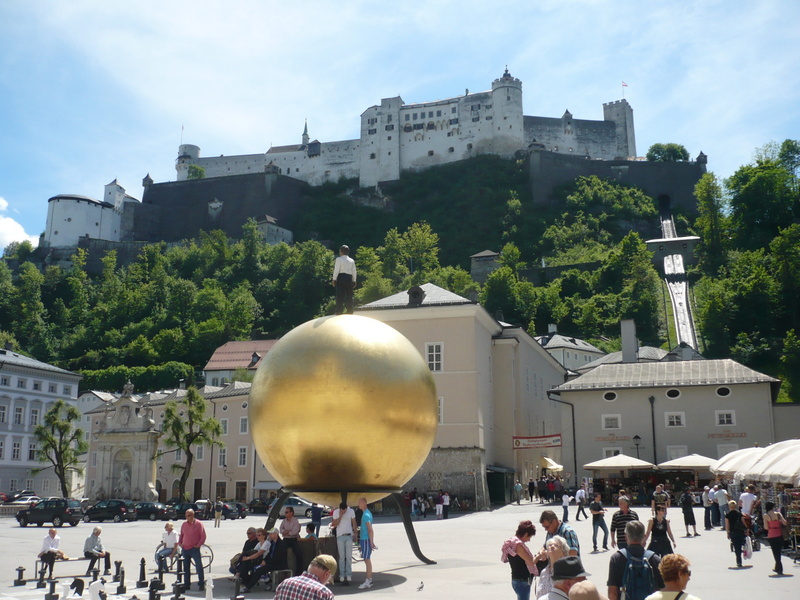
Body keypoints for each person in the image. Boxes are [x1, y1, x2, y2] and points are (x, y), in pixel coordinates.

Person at [607, 521, 663, 600]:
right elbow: (662, 591)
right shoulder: (654, 559)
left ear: (626, 536)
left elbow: (612, 593)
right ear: (644, 536)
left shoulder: (617, 558)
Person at [243, 527, 289, 592]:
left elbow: (277, 557)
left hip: (279, 564)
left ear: (276, 534)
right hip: (271, 562)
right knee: (256, 568)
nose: (270, 535)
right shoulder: (272, 543)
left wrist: (267, 562)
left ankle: (248, 587)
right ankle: (249, 583)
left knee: (259, 570)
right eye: (270, 534)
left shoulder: (281, 544)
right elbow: (269, 554)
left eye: (272, 534)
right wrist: (264, 560)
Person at [179, 508, 207, 591]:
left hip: (194, 549)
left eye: (189, 515)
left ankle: (201, 584)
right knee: (186, 568)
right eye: (186, 515)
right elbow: (181, 535)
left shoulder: (198, 524)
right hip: (185, 549)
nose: (187, 517)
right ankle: (187, 584)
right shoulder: (184, 524)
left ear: (193, 515)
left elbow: (203, 536)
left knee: (199, 566)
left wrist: (198, 545)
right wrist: (180, 543)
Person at [331, 500, 358, 585]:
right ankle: (342, 574)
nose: (344, 511)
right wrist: (340, 516)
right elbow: (334, 524)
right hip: (340, 536)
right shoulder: (336, 512)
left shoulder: (351, 511)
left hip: (349, 535)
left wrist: (355, 533)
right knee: (342, 556)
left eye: (345, 510)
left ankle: (348, 574)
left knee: (349, 556)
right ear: (340, 509)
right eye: (342, 510)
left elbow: (354, 522)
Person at [356, 497, 377, 589]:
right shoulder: (367, 513)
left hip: (365, 540)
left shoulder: (366, 515)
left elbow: (370, 530)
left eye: (359, 503)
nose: (358, 505)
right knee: (366, 559)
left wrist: (371, 542)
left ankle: (368, 580)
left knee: (367, 560)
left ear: (364, 503)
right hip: (365, 539)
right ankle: (369, 579)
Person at [763, 500, 788, 576]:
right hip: (779, 534)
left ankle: (779, 568)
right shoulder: (778, 514)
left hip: (772, 535)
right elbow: (785, 523)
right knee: (779, 551)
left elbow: (766, 527)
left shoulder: (766, 515)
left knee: (775, 552)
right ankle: (777, 567)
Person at [332, 244, 356, 315]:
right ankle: (350, 310)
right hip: (349, 278)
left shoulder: (339, 259)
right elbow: (354, 271)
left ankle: (339, 310)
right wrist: (354, 280)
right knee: (349, 295)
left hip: (341, 277)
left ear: (341, 252)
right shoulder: (351, 260)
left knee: (340, 295)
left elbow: (336, 269)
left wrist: (334, 279)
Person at [724, 500, 747, 568]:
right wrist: (746, 529)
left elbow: (727, 525)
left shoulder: (728, 515)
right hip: (740, 531)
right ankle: (742, 553)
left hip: (733, 532)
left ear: (729, 506)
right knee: (741, 544)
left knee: (736, 547)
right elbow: (743, 522)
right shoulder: (739, 513)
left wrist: (727, 533)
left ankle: (739, 561)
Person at [280, 506, 302, 575]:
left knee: (299, 554)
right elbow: (281, 530)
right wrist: (288, 532)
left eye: (287, 512)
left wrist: (287, 532)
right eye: (285, 512)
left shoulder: (295, 520)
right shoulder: (284, 521)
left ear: (291, 513)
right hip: (286, 539)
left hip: (293, 539)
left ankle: (299, 572)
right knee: (281, 552)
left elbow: (295, 531)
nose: (285, 513)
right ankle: (284, 570)